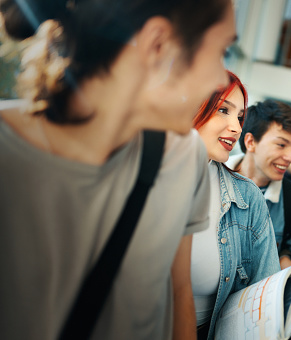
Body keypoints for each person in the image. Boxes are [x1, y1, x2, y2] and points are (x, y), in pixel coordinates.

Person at [0, 0, 236, 339]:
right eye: (221, 51)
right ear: (158, 45)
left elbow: (178, 292)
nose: (219, 79)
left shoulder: (184, 157)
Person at [191, 71, 280, 340]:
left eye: (239, 117)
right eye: (223, 110)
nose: (237, 128)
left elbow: (265, 299)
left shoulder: (247, 198)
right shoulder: (142, 173)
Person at [226, 99, 291, 269]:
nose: (290, 157)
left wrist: (286, 261)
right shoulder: (209, 177)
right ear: (250, 142)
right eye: (281, 145)